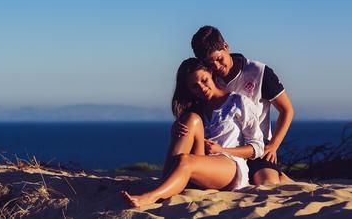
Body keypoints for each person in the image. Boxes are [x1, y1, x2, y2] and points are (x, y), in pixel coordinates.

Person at [122, 58, 264, 208]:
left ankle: (152, 196)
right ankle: (166, 181)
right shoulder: (197, 108)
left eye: (204, 80)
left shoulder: (238, 102)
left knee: (185, 160)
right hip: (201, 164)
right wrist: (175, 129)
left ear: (210, 73)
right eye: (194, 87)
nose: (201, 88)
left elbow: (257, 147)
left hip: (229, 166)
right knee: (191, 119)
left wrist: (221, 149)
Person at [175, 25, 295, 185]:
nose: (217, 67)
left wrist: (273, 145)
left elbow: (286, 110)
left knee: (266, 183)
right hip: (220, 148)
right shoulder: (207, 79)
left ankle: (281, 177)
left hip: (255, 146)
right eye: (210, 64)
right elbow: (193, 110)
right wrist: (179, 124)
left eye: (219, 59)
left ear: (226, 47)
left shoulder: (258, 71)